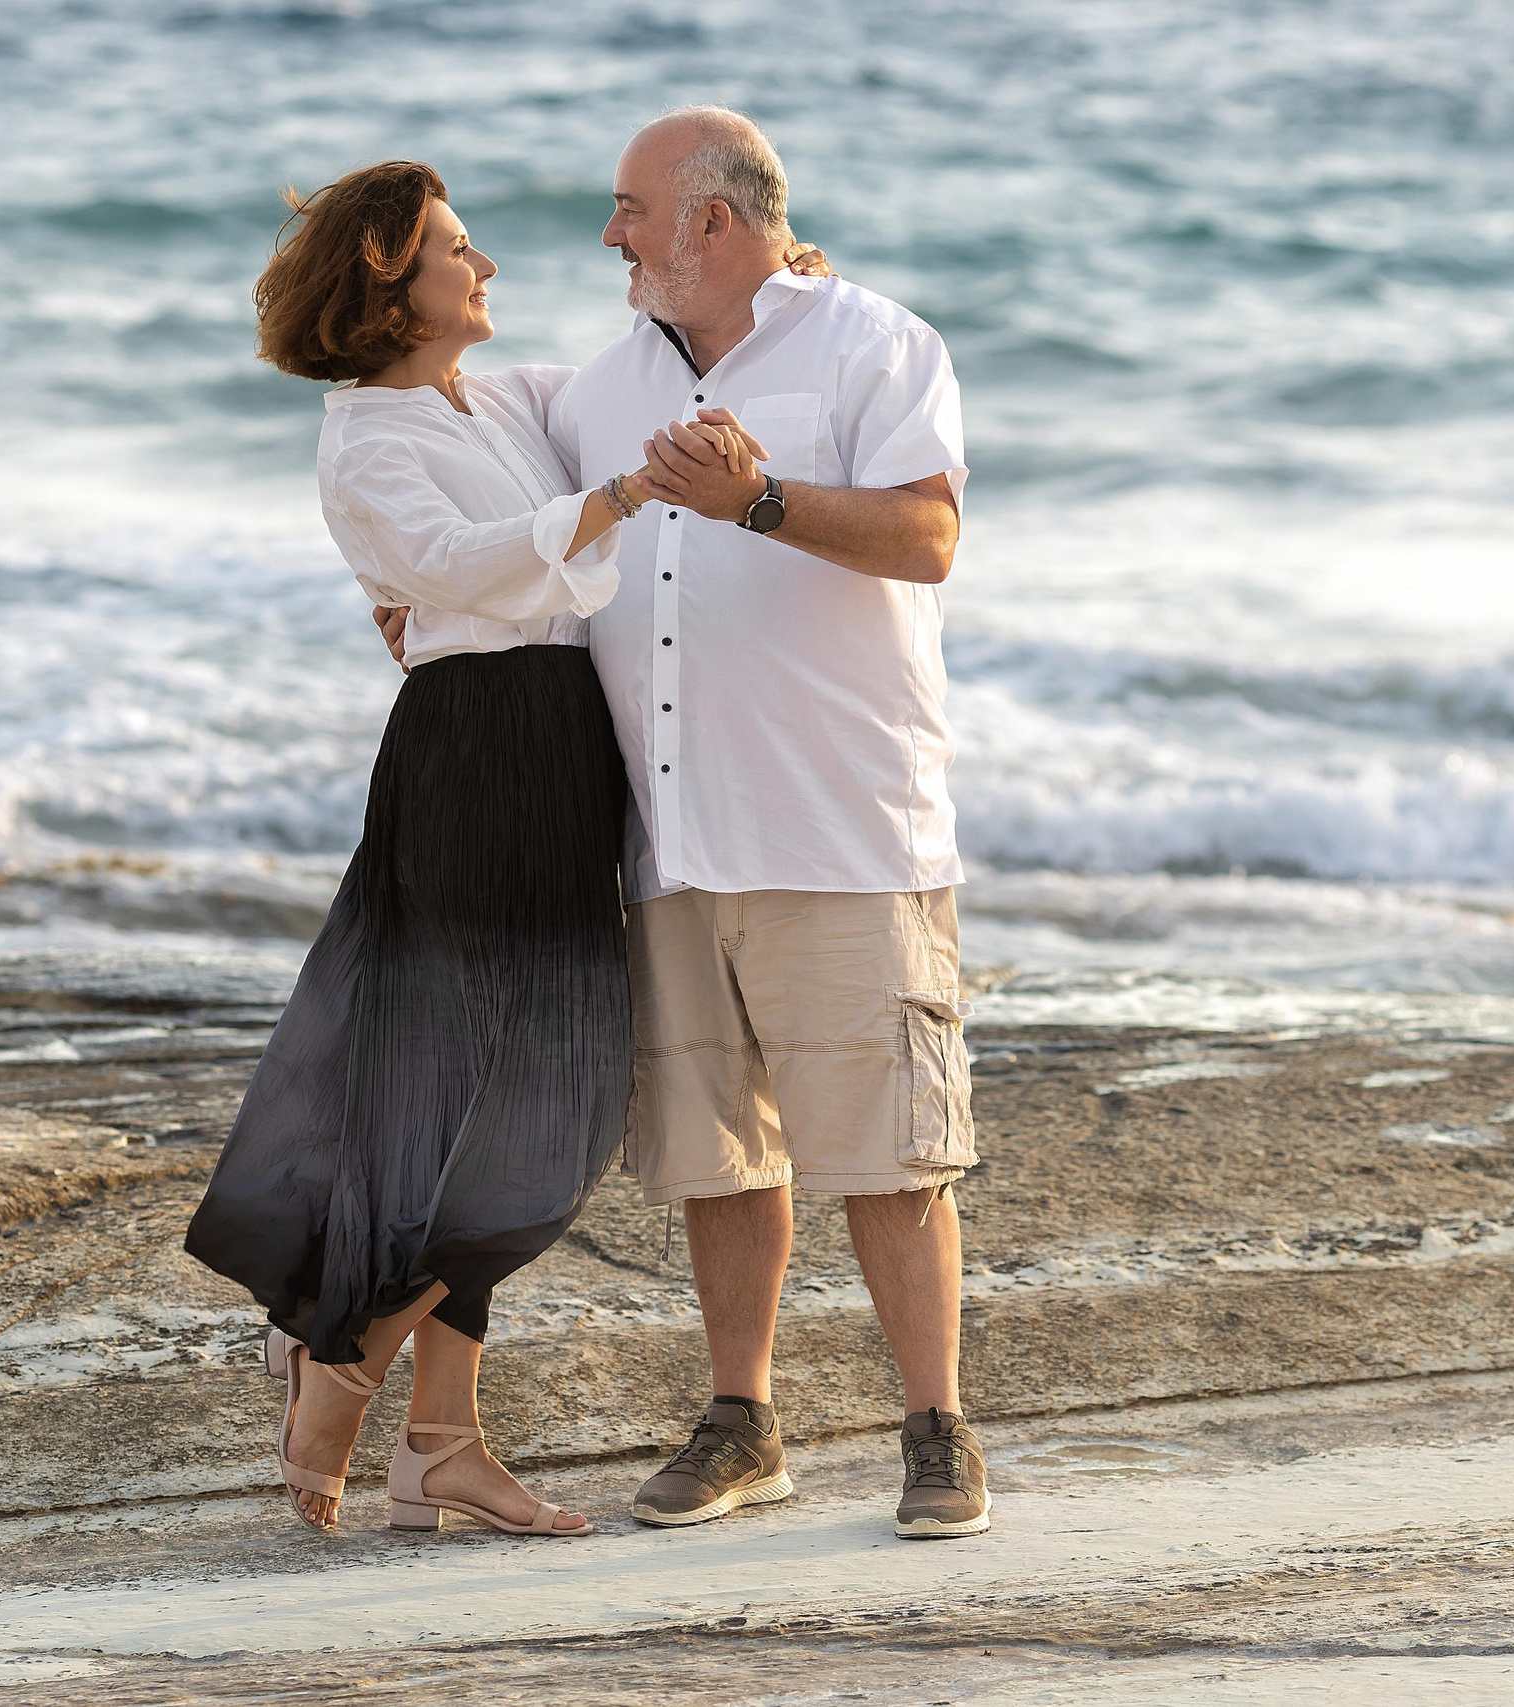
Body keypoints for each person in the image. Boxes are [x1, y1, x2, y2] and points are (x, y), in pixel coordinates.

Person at [378, 107, 991, 1540]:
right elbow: (448, 446)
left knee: (893, 1152)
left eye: (632, 209)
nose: (611, 235)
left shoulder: (875, 343)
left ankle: (936, 1425)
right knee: (719, 1158)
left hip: (843, 828)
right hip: (667, 834)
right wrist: (406, 587)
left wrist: (758, 500)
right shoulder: (593, 389)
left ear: (713, 220)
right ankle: (742, 1420)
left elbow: (930, 538)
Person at [181, 161, 776, 1538]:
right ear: (390, 286)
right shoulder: (364, 436)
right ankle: (347, 1361)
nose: (486, 265)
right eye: (457, 249)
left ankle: (438, 1436)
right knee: (509, 1102)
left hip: (560, 746)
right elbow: (456, 564)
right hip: (473, 755)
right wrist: (618, 496)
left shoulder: (497, 398)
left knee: (518, 1099)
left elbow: (638, 370)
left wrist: (773, 274)